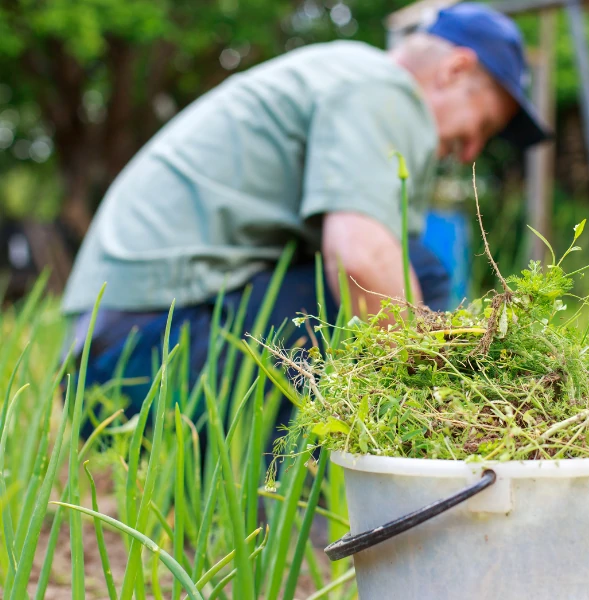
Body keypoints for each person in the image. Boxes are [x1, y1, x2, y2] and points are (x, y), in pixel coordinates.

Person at [60, 3, 549, 429]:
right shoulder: (384, 88)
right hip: (145, 358)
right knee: (412, 271)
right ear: (455, 70)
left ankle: (253, 505)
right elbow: (361, 258)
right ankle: (293, 513)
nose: (470, 152)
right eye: (481, 124)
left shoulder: (338, 75)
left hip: (107, 364)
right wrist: (434, 412)